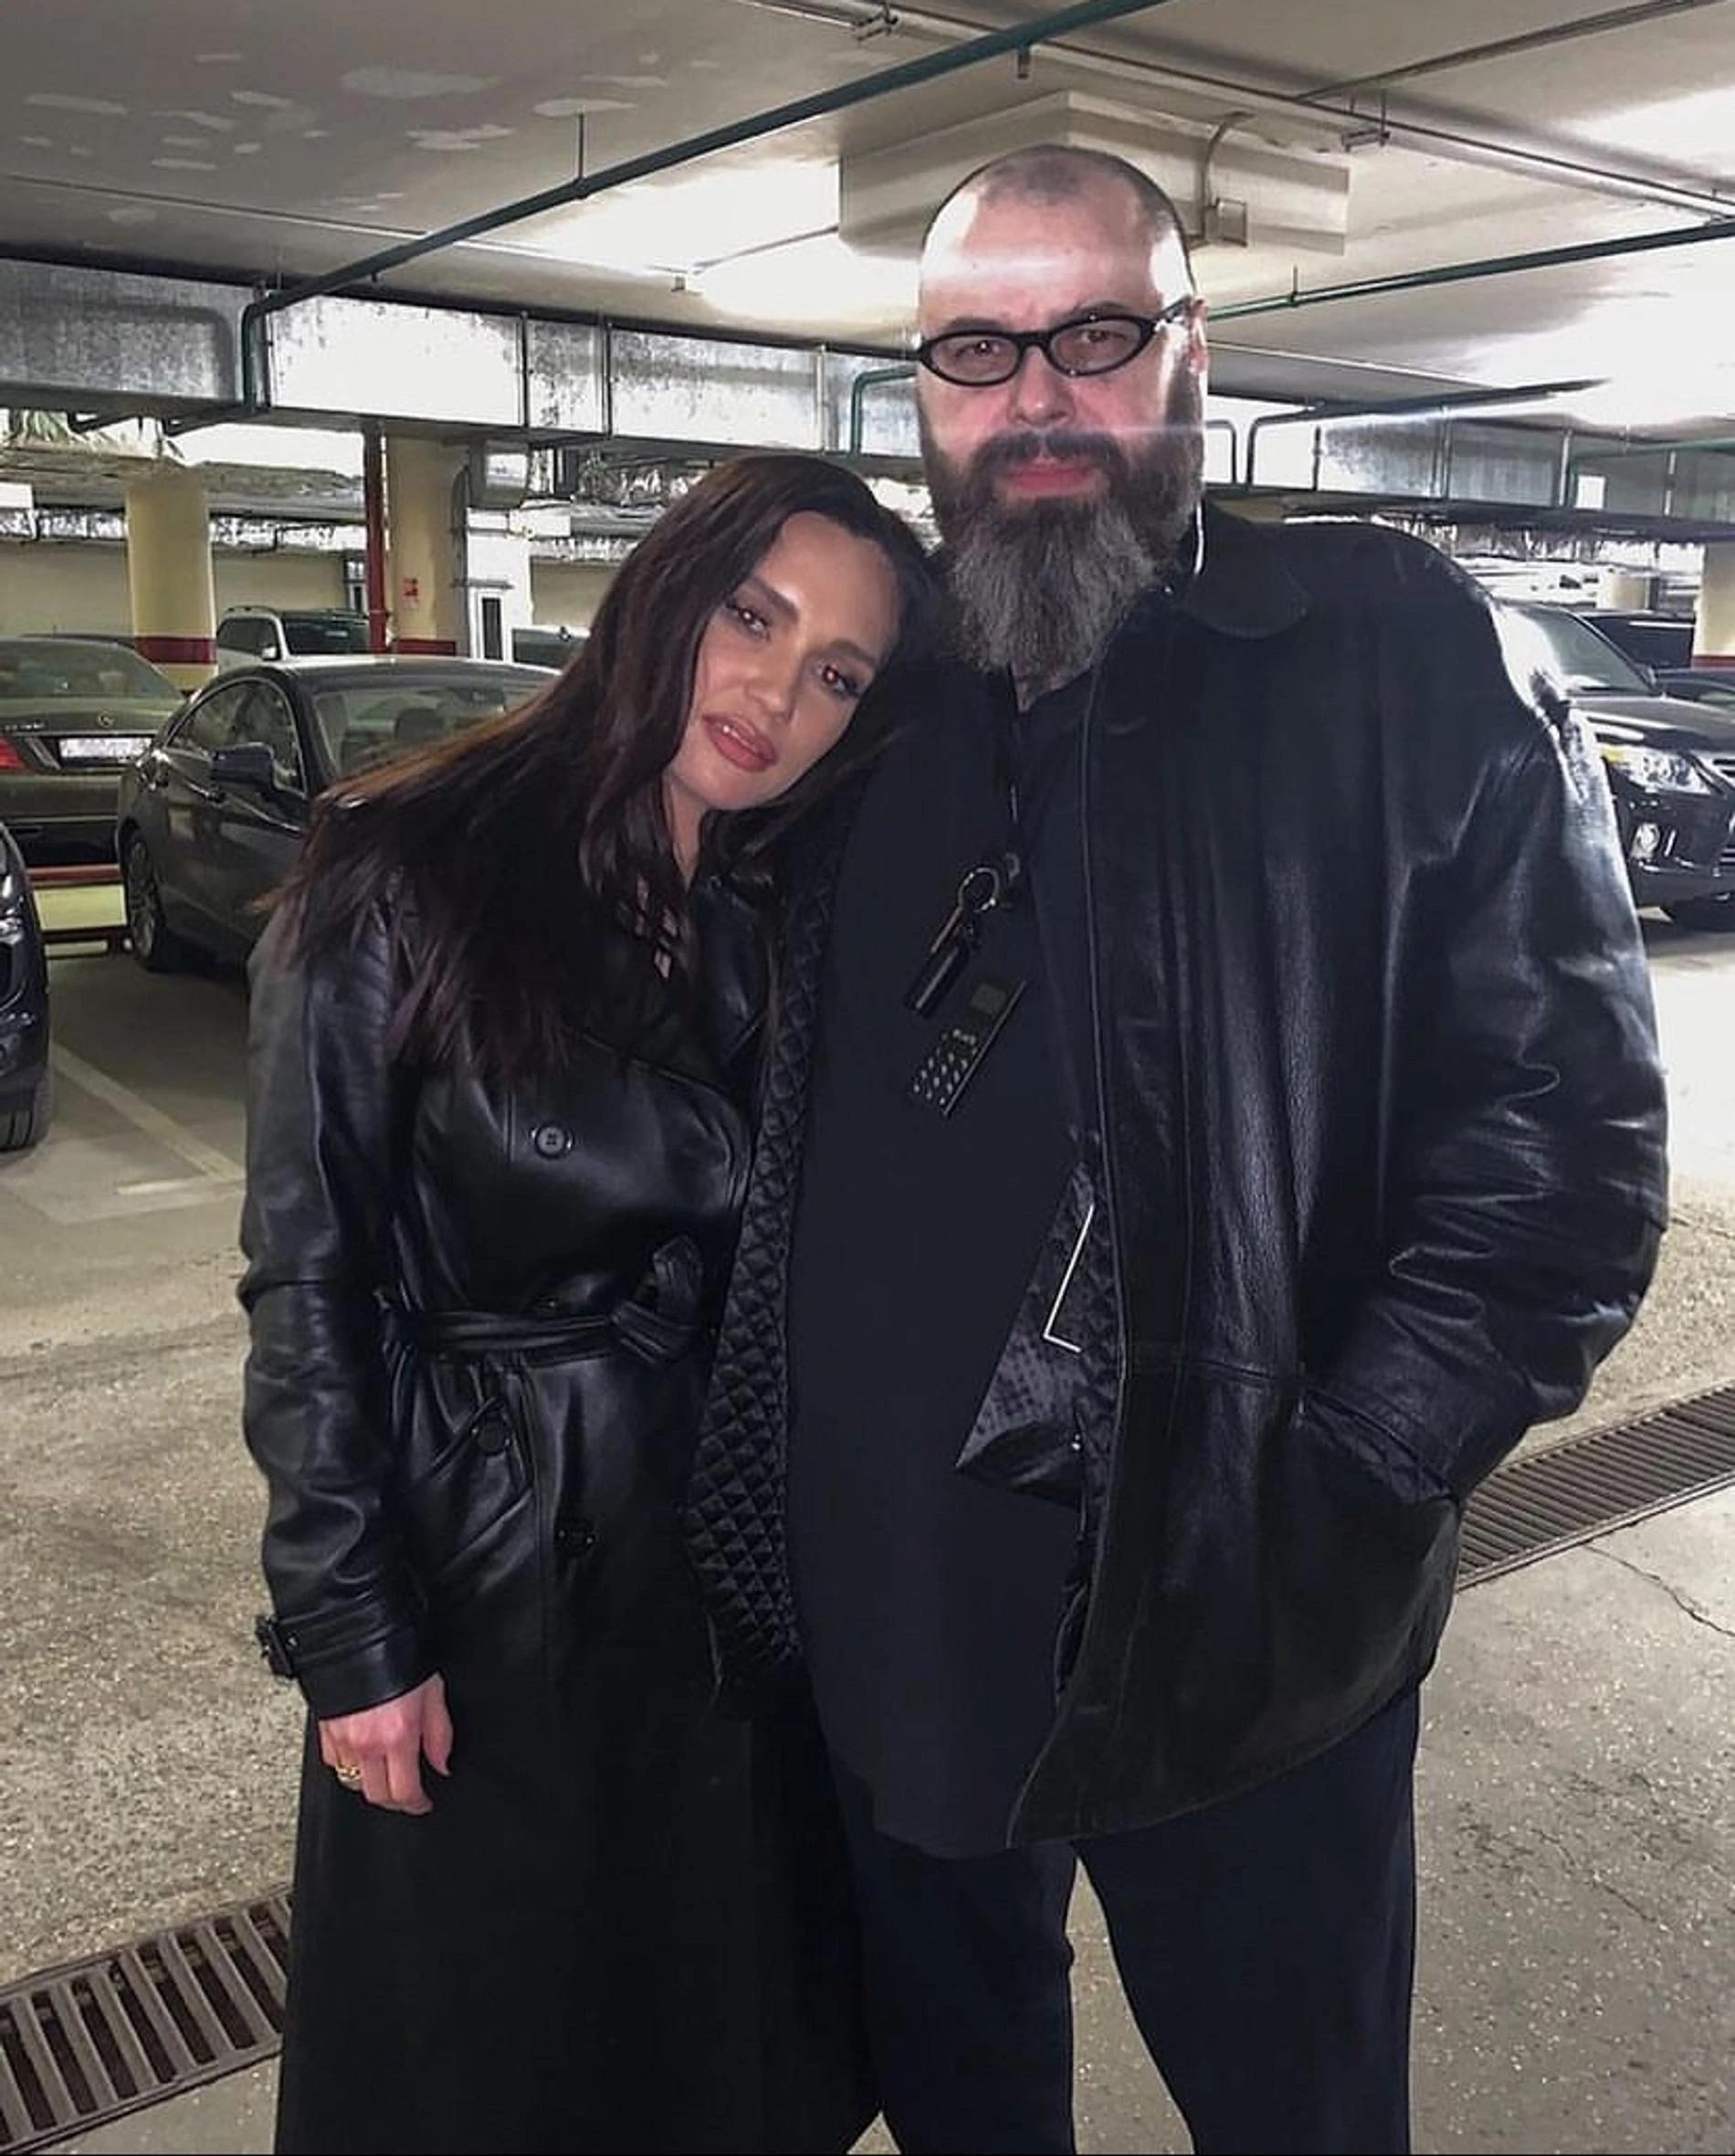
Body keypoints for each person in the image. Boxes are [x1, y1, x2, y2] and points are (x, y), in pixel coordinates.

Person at [684, 150, 1669, 2154]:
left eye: (1096, 332)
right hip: (893, 1612)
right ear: (922, 386)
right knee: (961, 2100)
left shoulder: (1394, 659)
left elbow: (1565, 1151)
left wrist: (1345, 1478)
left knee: (1293, 2106)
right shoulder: (876, 696)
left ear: (1192, 352)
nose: (1036, 393)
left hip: (1242, 1623)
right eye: (978, 348)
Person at [238, 452, 936, 2156]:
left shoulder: (786, 908)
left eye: (839, 671)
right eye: (754, 617)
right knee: (486, 2058)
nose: (777, 692)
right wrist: (353, 1632)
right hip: (489, 1570)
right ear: (665, 589)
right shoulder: (406, 865)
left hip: (727, 1568)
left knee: (704, 2040)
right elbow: (309, 1277)